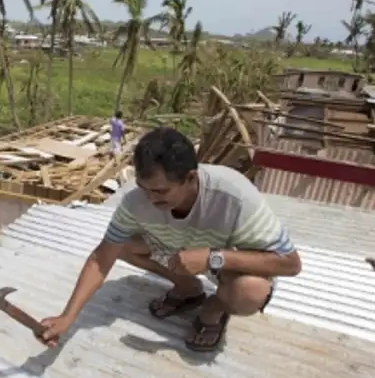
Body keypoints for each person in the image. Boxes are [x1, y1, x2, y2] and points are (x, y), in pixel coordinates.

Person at [39, 127, 302, 352]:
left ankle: (213, 307)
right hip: (179, 249)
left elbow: (291, 263)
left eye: (161, 191)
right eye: (145, 189)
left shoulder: (234, 196)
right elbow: (101, 257)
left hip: (227, 264)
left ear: (190, 178)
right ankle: (188, 289)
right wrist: (68, 316)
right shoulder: (137, 201)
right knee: (121, 246)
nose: (151, 199)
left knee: (251, 292)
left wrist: (213, 257)